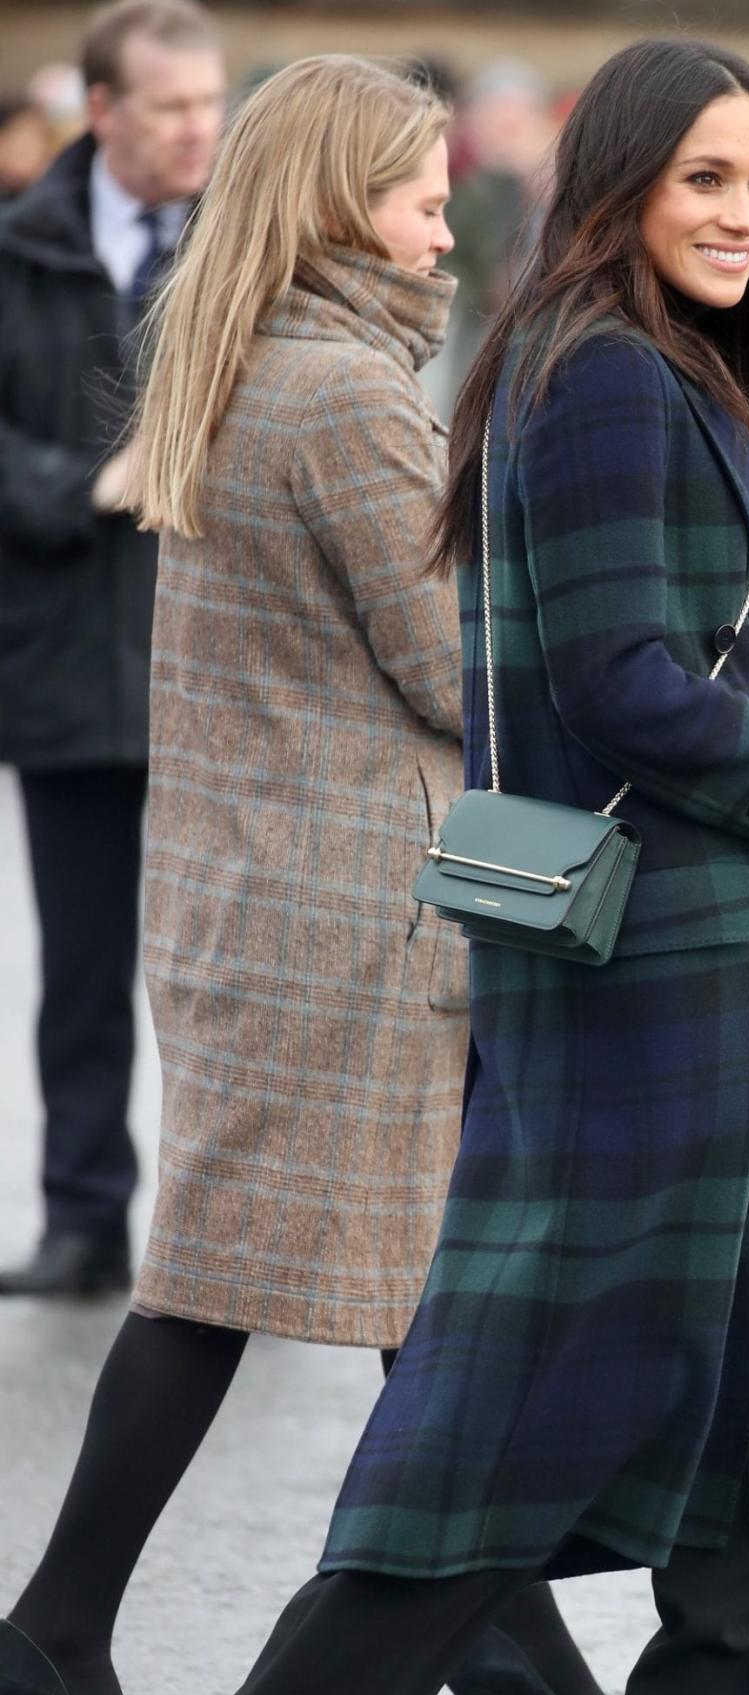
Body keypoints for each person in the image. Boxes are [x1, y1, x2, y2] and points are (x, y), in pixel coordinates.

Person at [174, 37, 749, 1695]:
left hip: (691, 955)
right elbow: (609, 693)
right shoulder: (596, 374)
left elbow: (650, 653)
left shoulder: (622, 364)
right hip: (643, 971)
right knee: (554, 1389)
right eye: (704, 179)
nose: (743, 214)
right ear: (616, 182)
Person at [0, 55, 617, 1695]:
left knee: (417, 1289)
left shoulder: (260, 354)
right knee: (231, 1289)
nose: (446, 225)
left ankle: (493, 1623)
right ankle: (57, 1620)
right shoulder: (342, 393)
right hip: (342, 913)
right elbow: (447, 669)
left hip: (277, 892)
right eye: (424, 199)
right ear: (344, 202)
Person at [0, 0, 226, 1298]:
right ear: (101, 112)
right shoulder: (19, 252)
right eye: (171, 106)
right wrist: (87, 483)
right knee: (83, 968)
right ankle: (85, 1219)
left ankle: (229, 1235)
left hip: (222, 667)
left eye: (210, 103)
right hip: (68, 663)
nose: (200, 128)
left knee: (226, 969)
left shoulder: (248, 254)